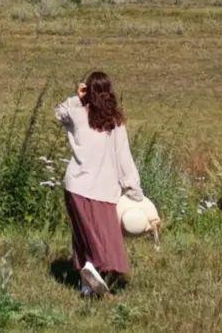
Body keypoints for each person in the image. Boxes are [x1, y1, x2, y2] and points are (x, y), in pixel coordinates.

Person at [55, 70, 144, 297]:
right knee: (102, 239)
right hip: (102, 191)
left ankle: (87, 287)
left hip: (76, 187)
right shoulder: (115, 123)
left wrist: (77, 97)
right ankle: (92, 276)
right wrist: (135, 190)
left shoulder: (78, 114)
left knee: (84, 238)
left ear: (89, 92)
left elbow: (59, 112)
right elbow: (124, 158)